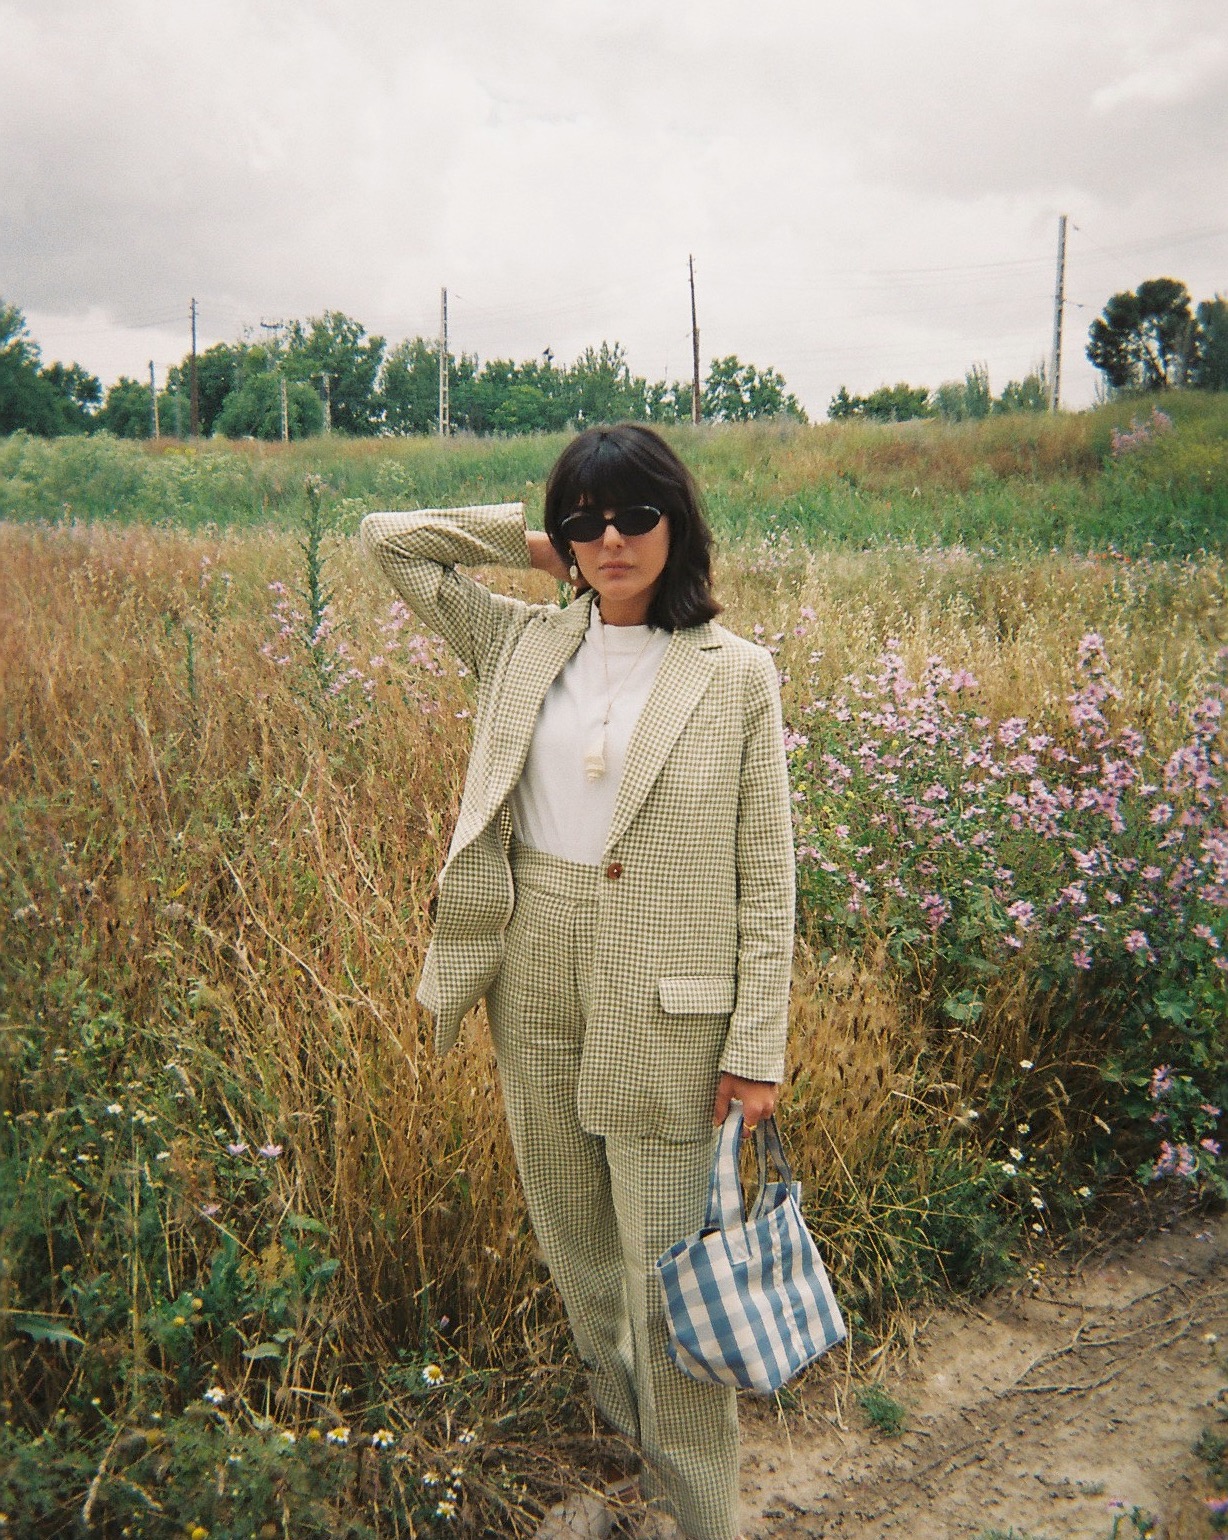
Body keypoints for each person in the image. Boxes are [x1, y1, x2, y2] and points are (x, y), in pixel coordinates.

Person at [361, 423, 795, 1540]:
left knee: (667, 1282)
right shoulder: (519, 643)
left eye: (633, 516)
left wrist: (757, 1044)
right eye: (586, 521)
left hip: (670, 996)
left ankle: (704, 1518)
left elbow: (767, 872)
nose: (611, 538)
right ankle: (641, 1474)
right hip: (533, 970)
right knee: (583, 1263)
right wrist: (531, 542)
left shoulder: (735, 674)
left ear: (677, 525)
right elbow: (387, 543)